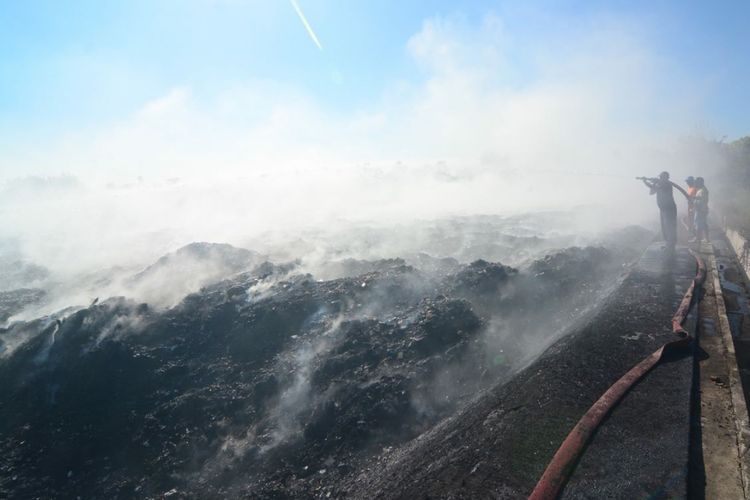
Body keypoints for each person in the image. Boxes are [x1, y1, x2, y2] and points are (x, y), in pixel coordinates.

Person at [641, 171, 677, 250]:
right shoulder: (659, 184)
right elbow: (652, 192)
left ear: (666, 178)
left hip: (669, 209)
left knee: (669, 226)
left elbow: (660, 186)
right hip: (663, 209)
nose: (661, 178)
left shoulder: (667, 184)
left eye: (662, 177)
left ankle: (671, 244)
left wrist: (656, 182)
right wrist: (645, 181)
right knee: (664, 226)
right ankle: (668, 243)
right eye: (660, 177)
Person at [693, 177, 710, 242]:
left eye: (697, 182)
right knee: (703, 224)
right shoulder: (701, 190)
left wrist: (694, 200)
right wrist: (695, 198)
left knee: (699, 224)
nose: (696, 183)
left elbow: (702, 201)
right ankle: (706, 238)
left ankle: (698, 238)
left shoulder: (703, 190)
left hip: (701, 210)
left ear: (700, 182)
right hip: (701, 209)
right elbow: (700, 199)